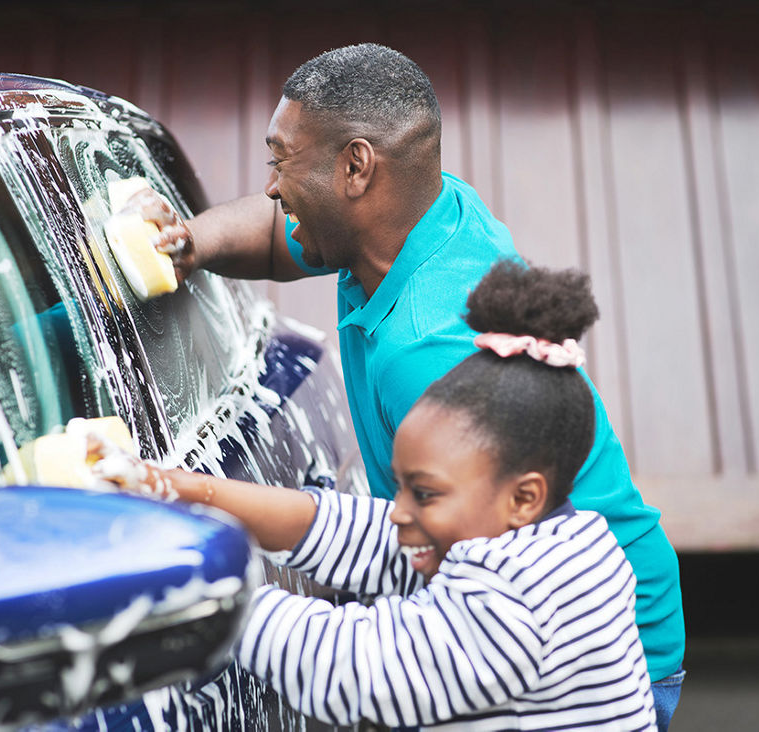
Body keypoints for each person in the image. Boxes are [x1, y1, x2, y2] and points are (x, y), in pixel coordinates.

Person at [127, 42, 685, 724]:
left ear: (356, 167)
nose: (272, 185)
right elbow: (382, 536)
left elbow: (360, 668)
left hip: (590, 654)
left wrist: (191, 579)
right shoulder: (412, 216)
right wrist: (190, 242)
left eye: (282, 161)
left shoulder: (430, 351)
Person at [91, 261, 657, 730]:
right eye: (404, 486)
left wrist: (198, 585)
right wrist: (184, 489)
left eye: (426, 494)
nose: (401, 511)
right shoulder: (560, 539)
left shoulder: (516, 601)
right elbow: (355, 531)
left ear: (524, 498)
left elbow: (354, 668)